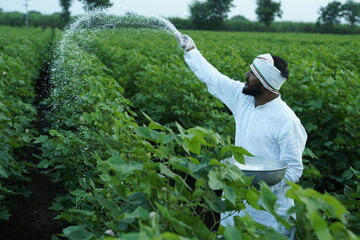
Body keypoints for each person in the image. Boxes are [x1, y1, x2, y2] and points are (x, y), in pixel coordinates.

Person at [175, 33, 307, 239]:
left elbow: (293, 171)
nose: (246, 74)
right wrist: (191, 50)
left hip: (270, 216)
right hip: (236, 205)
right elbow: (213, 77)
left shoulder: (287, 121)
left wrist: (255, 182)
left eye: (252, 73)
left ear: (264, 82)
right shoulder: (243, 98)